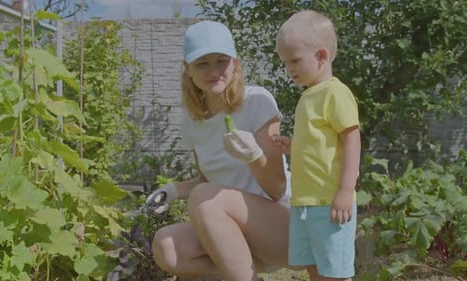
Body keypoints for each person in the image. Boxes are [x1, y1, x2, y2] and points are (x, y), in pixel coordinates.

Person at [144, 20, 295, 281]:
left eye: (221, 61)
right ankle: (243, 272)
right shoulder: (194, 121)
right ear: (188, 70)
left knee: (204, 198)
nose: (213, 71)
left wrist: (253, 156)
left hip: (284, 228)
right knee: (167, 247)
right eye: (202, 63)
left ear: (235, 63)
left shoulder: (258, 101)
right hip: (233, 233)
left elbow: (278, 188)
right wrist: (171, 190)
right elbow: (208, 182)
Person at [273, 10, 361, 281]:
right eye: (285, 62)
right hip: (305, 202)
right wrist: (293, 146)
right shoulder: (309, 95)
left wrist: (345, 190)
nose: (289, 69)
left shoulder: (335, 92)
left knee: (335, 270)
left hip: (329, 203)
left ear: (321, 56)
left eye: (295, 60)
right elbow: (320, 141)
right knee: (314, 268)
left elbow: (351, 139)